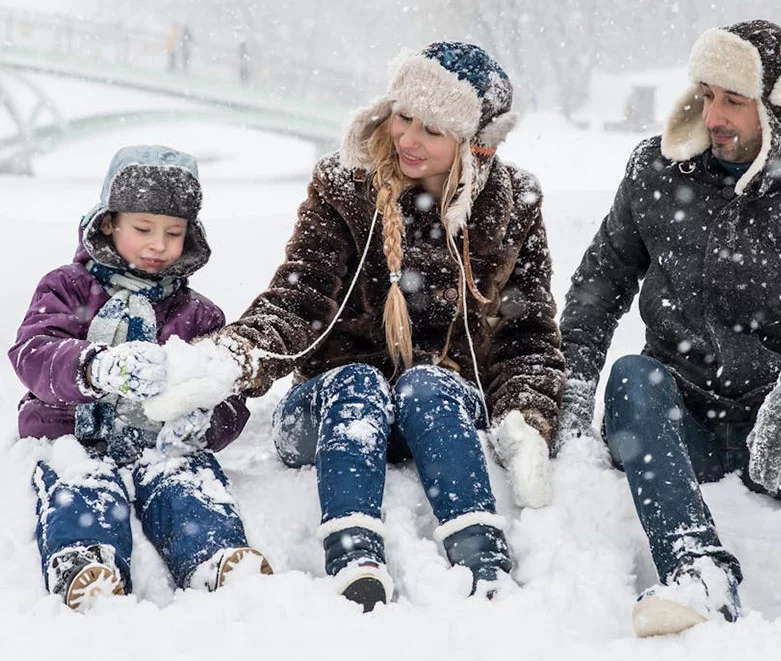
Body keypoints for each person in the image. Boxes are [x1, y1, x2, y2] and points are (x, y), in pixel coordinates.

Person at [558, 20, 781, 649]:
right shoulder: (655, 171)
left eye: (733, 100)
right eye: (706, 95)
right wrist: (567, 390)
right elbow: (597, 290)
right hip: (681, 426)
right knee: (631, 376)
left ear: (780, 108)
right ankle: (695, 569)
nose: (714, 115)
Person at [194, 42, 563, 611]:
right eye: (404, 116)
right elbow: (300, 297)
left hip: (436, 418)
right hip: (330, 412)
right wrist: (234, 356)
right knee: (358, 384)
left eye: (432, 130)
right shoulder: (345, 186)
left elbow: (528, 333)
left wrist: (526, 418)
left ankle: (481, 555)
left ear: (474, 145)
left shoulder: (515, 204)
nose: (407, 139)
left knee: (431, 384)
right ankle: (354, 552)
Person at [9, 145, 272, 612]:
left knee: (186, 480)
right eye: (143, 229)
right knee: (82, 482)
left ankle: (213, 554)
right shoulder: (68, 288)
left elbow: (226, 393)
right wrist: (94, 366)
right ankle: (86, 559)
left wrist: (206, 421)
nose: (158, 245)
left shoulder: (198, 314)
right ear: (109, 222)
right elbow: (34, 352)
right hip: (71, 433)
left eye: (173, 233)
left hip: (159, 443)